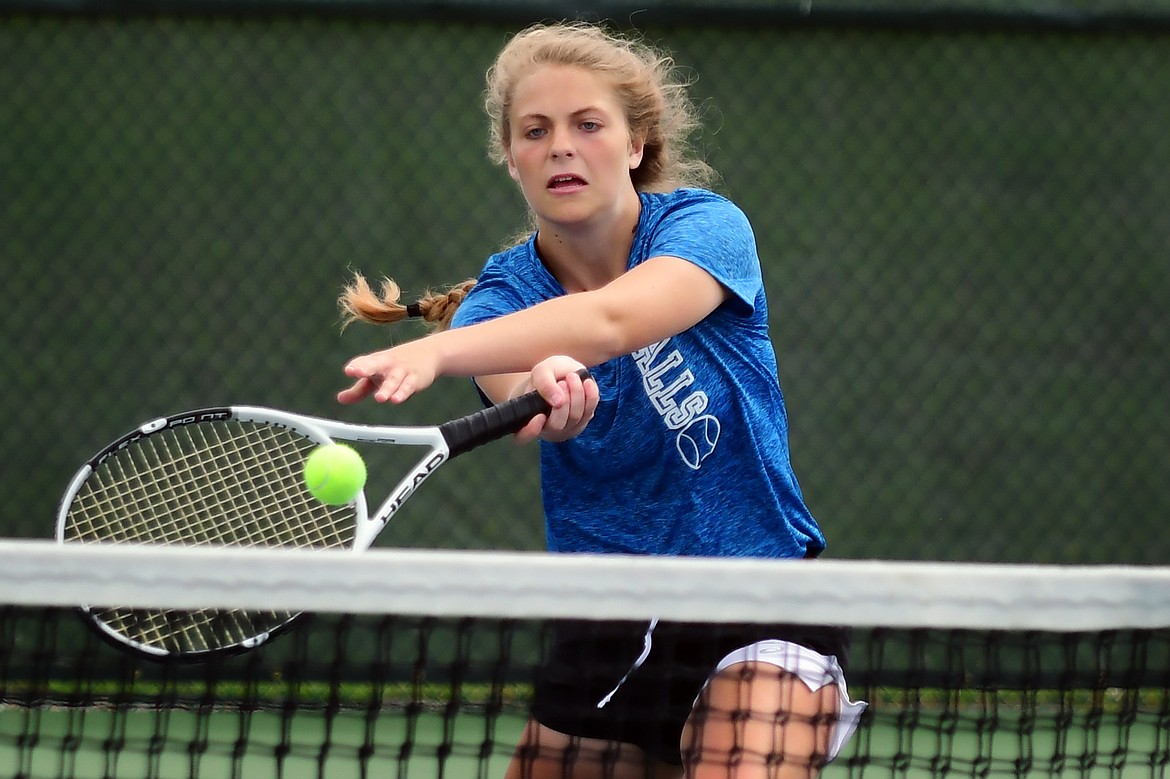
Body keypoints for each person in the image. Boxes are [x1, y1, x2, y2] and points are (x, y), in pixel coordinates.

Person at [336, 20, 865, 779]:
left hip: (762, 596)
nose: (561, 146)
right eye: (535, 130)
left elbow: (613, 318)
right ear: (511, 157)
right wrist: (543, 391)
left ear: (636, 143)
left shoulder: (703, 229)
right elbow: (516, 389)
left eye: (588, 125)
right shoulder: (500, 299)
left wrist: (436, 350)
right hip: (610, 622)